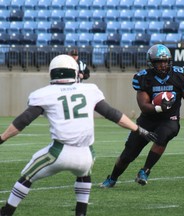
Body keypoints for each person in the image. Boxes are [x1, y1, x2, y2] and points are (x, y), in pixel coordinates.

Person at [0, 54, 157, 216]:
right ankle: (81, 213)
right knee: (83, 175)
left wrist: (2, 137)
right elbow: (113, 114)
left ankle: (6, 212)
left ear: (52, 72)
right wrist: (140, 130)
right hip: (86, 154)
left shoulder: (44, 93)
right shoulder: (89, 90)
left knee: (27, 176)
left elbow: (23, 121)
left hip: (59, 152)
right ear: (75, 72)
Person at [99, 44, 184, 188]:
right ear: (151, 62)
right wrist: (159, 107)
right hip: (147, 120)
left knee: (163, 135)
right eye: (159, 62)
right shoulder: (144, 78)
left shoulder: (179, 75)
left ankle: (145, 171)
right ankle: (112, 178)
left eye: (165, 61)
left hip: (169, 119)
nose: (163, 65)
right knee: (128, 154)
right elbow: (144, 105)